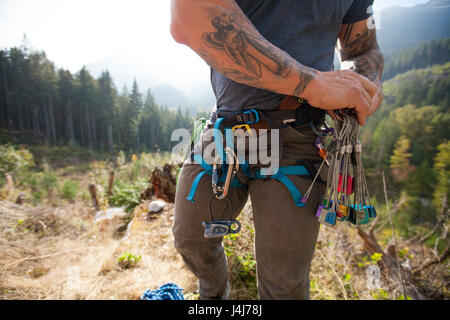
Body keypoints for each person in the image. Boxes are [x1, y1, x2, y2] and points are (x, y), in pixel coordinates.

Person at [170, 0, 384, 300]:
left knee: (284, 286)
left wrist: (364, 83)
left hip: (298, 138)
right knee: (189, 237)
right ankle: (213, 296)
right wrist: (316, 86)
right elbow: (191, 17)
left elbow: (362, 49)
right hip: (225, 130)